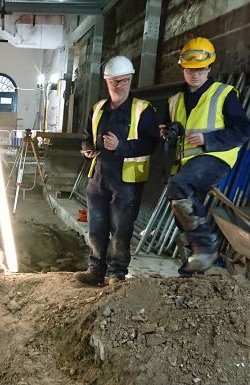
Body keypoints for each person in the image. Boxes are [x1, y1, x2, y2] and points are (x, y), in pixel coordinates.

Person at [161, 37, 250, 275]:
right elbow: (167, 127)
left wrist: (208, 140)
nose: (195, 74)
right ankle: (193, 270)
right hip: (186, 162)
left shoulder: (223, 94)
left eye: (200, 69)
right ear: (182, 68)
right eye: (190, 70)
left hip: (215, 156)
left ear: (210, 67)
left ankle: (206, 246)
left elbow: (243, 131)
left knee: (180, 186)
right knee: (182, 213)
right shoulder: (174, 101)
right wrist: (165, 131)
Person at [74, 56, 160, 285]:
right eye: (114, 81)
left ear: (130, 80)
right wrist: (87, 149)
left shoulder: (143, 110)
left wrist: (121, 146)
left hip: (127, 179)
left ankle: (117, 273)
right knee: (96, 227)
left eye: (123, 81)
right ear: (107, 81)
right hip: (100, 174)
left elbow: (151, 144)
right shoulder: (98, 108)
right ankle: (96, 270)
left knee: (121, 229)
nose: (118, 85)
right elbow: (85, 138)